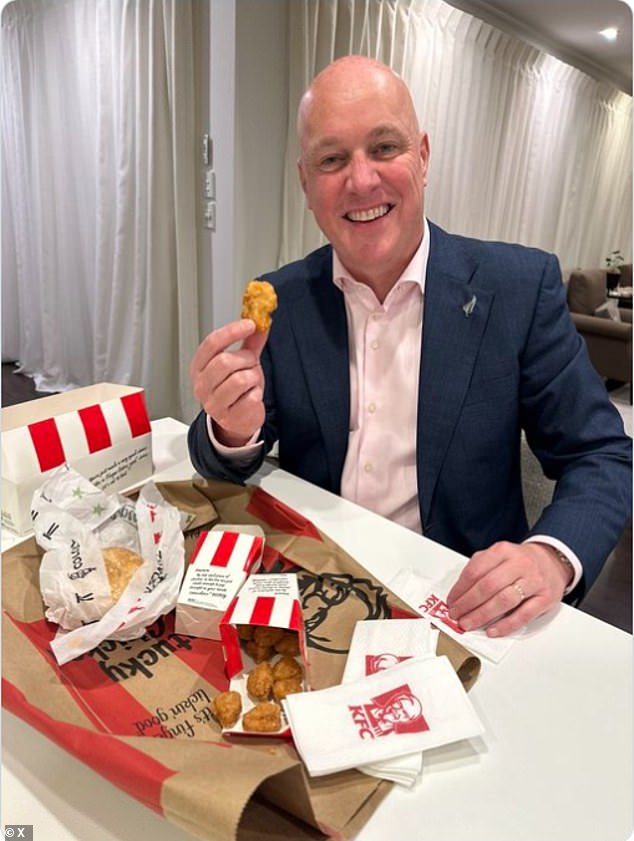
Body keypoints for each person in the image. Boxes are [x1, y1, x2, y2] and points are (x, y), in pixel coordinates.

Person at [188, 55, 632, 638]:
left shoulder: (518, 289)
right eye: (332, 159)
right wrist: (232, 429)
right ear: (306, 183)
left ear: (422, 157)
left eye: (384, 148)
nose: (362, 180)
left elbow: (600, 454)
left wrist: (550, 555)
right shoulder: (282, 299)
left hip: (461, 604)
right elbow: (220, 454)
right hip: (317, 587)